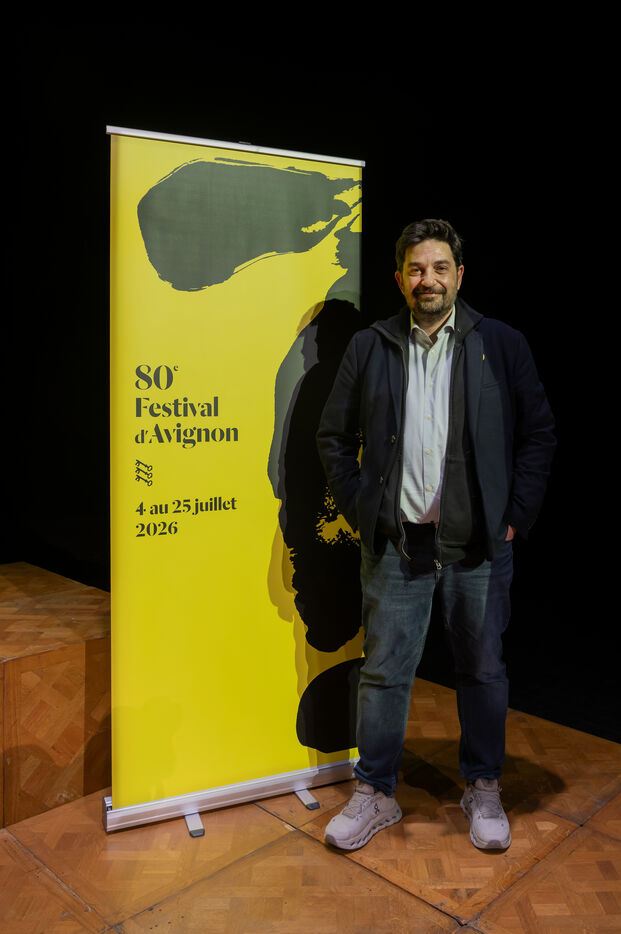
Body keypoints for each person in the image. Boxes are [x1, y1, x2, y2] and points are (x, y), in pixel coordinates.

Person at [316, 218, 555, 852]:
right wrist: (363, 509)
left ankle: (483, 786)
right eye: (417, 269)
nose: (429, 279)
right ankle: (376, 791)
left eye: (440, 268)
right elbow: (332, 437)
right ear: (400, 279)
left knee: (483, 670)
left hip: (479, 549)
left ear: (459, 276)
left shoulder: (500, 344)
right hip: (398, 545)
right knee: (384, 674)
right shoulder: (370, 347)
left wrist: (514, 513)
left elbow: (539, 433)